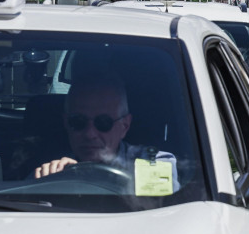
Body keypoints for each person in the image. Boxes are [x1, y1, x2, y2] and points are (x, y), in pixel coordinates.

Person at [34, 76, 179, 191]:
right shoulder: (52, 170)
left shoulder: (152, 161)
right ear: (66, 123)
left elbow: (158, 209)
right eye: (78, 121)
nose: (90, 134)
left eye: (103, 123)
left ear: (125, 126)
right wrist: (50, 182)